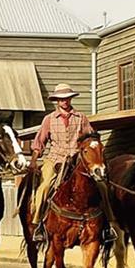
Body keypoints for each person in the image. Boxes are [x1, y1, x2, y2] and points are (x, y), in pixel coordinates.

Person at [30, 83, 117, 243]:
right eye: (61, 99)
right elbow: (39, 142)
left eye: (67, 98)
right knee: (45, 186)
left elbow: (91, 137)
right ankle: (38, 224)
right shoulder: (49, 119)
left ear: (70, 99)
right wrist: (34, 161)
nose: (64, 101)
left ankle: (109, 225)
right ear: (57, 100)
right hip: (55, 158)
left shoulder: (81, 117)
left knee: (102, 186)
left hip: (77, 159)